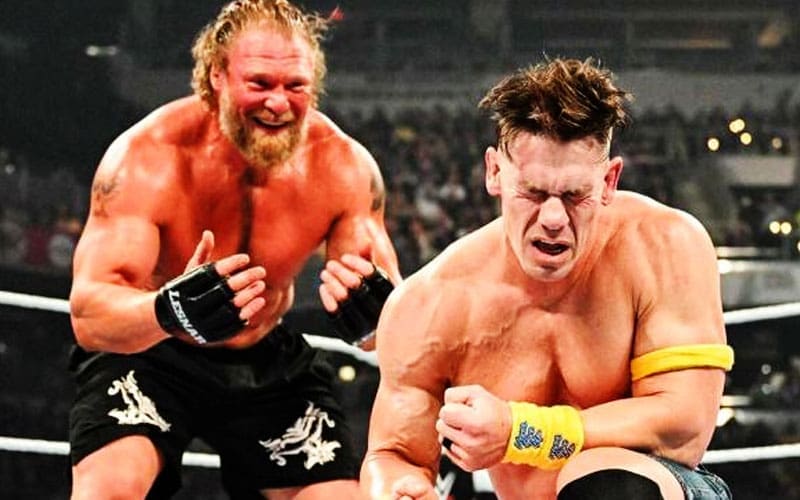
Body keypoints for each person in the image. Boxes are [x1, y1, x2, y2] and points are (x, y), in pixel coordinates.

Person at [67, 1, 401, 498]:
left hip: (266, 362)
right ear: (217, 76)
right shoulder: (148, 158)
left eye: (295, 86)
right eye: (260, 83)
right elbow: (90, 317)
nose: (278, 103)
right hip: (151, 352)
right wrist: (169, 310)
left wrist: (375, 322)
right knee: (109, 489)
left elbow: (390, 323)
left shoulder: (343, 167)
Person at [361, 58, 734, 500]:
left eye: (574, 195)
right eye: (533, 193)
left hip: (656, 488)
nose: (554, 218)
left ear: (609, 180)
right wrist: (400, 491)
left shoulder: (663, 245)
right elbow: (394, 455)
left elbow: (685, 425)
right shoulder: (430, 304)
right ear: (494, 172)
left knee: (608, 485)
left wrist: (520, 431)